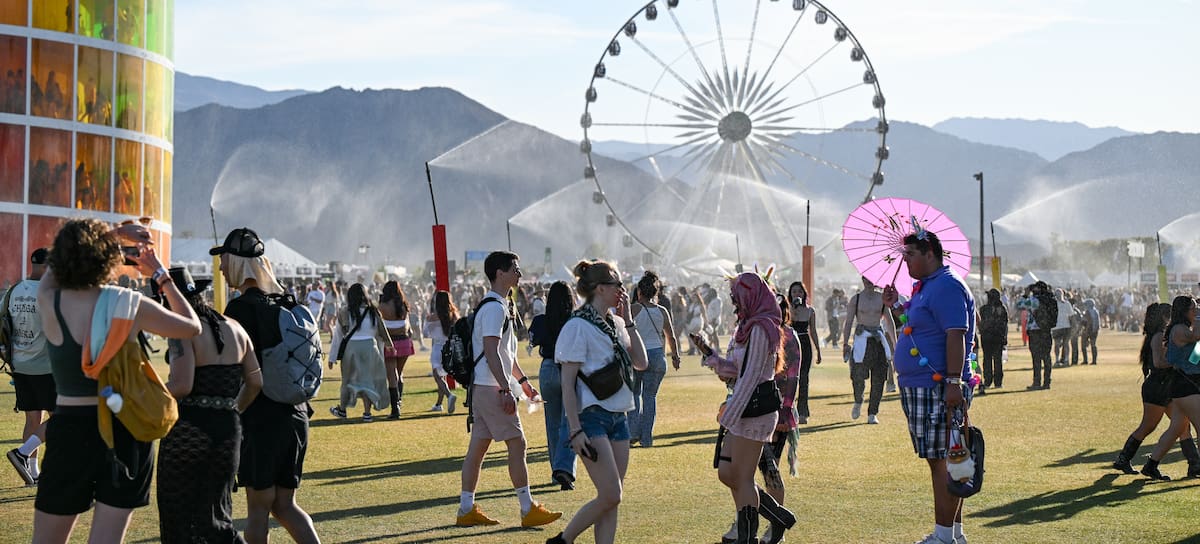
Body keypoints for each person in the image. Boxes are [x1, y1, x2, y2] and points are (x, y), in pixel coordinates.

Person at [33, 219, 201, 544]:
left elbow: (54, 265)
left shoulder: (50, 300)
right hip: (125, 423)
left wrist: (111, 235)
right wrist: (160, 275)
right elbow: (191, 327)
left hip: (70, 428)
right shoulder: (128, 304)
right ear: (108, 258)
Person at [212, 227, 321, 544]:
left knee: (258, 511)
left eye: (223, 260)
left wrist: (232, 413)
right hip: (296, 415)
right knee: (285, 506)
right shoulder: (285, 302)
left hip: (261, 419)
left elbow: (239, 374)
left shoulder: (239, 310)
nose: (220, 268)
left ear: (236, 263)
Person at [545, 260, 649, 544]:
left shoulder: (616, 323)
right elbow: (567, 383)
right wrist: (575, 430)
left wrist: (628, 320)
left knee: (611, 498)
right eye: (617, 285)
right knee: (611, 494)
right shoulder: (578, 325)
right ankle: (563, 540)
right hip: (591, 417)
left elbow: (641, 363)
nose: (622, 291)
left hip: (619, 417)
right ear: (601, 288)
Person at [883, 228, 976, 544]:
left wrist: (953, 382)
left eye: (909, 254)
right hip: (922, 386)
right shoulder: (926, 287)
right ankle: (954, 533)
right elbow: (916, 327)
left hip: (937, 388)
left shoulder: (947, 286)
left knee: (944, 462)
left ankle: (943, 536)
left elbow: (956, 335)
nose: (904, 260)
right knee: (948, 459)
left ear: (929, 254)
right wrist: (897, 306)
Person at [456, 251, 561, 528]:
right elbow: (491, 352)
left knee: (477, 449)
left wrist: (523, 383)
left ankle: (466, 509)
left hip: (485, 386)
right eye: (515, 268)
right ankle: (527, 509)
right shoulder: (494, 308)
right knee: (518, 443)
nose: (519, 273)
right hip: (492, 388)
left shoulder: (500, 305)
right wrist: (506, 389)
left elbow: (506, 354)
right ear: (499, 273)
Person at [158, 267, 263, 543]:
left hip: (189, 429)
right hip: (228, 429)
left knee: (180, 519)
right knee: (217, 517)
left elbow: (182, 385)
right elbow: (255, 382)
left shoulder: (182, 329)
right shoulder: (236, 329)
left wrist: (144, 393)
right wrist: (232, 409)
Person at [701, 272, 796, 544]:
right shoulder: (747, 326)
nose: (734, 302)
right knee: (727, 473)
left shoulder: (760, 328)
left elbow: (752, 375)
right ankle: (778, 516)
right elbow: (739, 370)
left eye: (737, 297)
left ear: (750, 296)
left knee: (742, 477)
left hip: (754, 409)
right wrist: (716, 361)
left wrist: (729, 417)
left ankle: (747, 537)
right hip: (742, 405)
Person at [1111, 302, 1199, 476]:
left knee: (1181, 427)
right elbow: (1159, 362)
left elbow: (1193, 355)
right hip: (1158, 386)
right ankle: (1124, 460)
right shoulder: (1159, 335)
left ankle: (1192, 465)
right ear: (1164, 317)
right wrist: (1178, 363)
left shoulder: (1163, 334)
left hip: (1167, 385)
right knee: (1148, 426)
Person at [5, 248, 54, 487]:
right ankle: (26, 455)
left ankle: (31, 473)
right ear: (48, 266)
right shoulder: (49, 292)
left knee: (32, 418)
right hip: (46, 365)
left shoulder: (14, 290)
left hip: (20, 364)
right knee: (63, 417)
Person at [1140, 296, 1200, 480]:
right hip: (1186, 387)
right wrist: (1199, 319)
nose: (1195, 311)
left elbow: (1195, 355)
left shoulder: (1181, 329)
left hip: (1183, 386)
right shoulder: (1180, 329)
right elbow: (1196, 337)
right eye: (1193, 309)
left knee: (1176, 429)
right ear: (1184, 311)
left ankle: (1151, 465)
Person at [528, 281, 578, 490]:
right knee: (571, 421)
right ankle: (564, 466)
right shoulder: (575, 320)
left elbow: (533, 340)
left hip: (548, 368)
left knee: (553, 422)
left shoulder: (541, 320)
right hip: (570, 368)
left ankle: (556, 472)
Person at [629, 271, 682, 447]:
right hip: (658, 356)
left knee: (634, 394)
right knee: (650, 397)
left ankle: (633, 431)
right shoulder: (662, 311)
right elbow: (671, 337)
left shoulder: (634, 309)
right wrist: (675, 356)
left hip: (638, 355)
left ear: (639, 292)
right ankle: (646, 438)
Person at [327, 283, 391, 422]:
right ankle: (367, 413)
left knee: (348, 380)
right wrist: (389, 345)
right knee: (367, 380)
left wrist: (332, 357)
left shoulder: (344, 311)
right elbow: (382, 331)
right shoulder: (373, 311)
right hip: (370, 347)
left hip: (351, 348)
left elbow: (338, 336)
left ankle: (342, 409)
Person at [841, 276, 895, 423]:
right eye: (867, 279)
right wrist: (845, 342)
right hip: (861, 341)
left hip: (877, 340)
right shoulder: (856, 299)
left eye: (872, 279)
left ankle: (872, 413)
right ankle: (858, 401)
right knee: (857, 376)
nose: (869, 282)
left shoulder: (882, 298)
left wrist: (894, 345)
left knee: (879, 378)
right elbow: (849, 322)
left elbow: (889, 323)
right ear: (863, 280)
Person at [787, 281, 822, 424]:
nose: (797, 294)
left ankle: (803, 412)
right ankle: (789, 410)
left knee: (803, 378)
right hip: (790, 345)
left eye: (799, 291)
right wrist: (792, 311)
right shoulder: (787, 309)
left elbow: (813, 331)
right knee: (789, 378)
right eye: (794, 291)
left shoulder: (810, 311)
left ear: (804, 293)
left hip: (805, 344)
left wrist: (818, 350)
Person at [379, 281, 414, 418]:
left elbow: (380, 324)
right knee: (399, 373)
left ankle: (395, 409)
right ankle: (398, 401)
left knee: (392, 376)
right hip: (404, 341)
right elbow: (407, 325)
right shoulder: (404, 305)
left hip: (390, 342)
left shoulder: (383, 306)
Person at [422, 290, 457, 414]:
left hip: (438, 348)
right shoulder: (454, 315)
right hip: (451, 348)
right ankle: (439, 403)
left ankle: (449, 395)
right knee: (443, 377)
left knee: (437, 375)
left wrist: (427, 322)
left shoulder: (432, 317)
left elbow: (425, 334)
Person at [1024, 282, 1057, 389]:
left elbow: (1020, 304)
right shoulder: (1052, 299)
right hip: (1046, 330)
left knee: (1036, 358)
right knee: (1046, 357)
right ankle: (1047, 382)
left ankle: (1037, 381)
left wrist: (1026, 294)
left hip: (1035, 331)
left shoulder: (1035, 300)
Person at [977, 289, 1009, 393]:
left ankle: (988, 380)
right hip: (998, 337)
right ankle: (998, 381)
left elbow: (980, 324)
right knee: (997, 359)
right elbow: (1005, 325)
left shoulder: (984, 309)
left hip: (987, 338)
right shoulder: (1002, 309)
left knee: (987, 359)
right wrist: (1004, 337)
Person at [1052, 289, 1073, 367]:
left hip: (1058, 327)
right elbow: (1071, 316)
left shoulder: (1054, 304)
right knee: (1065, 344)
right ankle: (1066, 360)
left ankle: (1058, 360)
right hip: (1064, 326)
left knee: (1058, 344)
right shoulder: (1066, 303)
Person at [1081, 298, 1100, 365]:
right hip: (1095, 330)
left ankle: (1085, 360)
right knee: (1093, 345)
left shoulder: (1088, 312)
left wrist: (1086, 330)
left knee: (1083, 344)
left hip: (1089, 329)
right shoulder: (1096, 311)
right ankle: (1094, 361)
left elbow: (1089, 321)